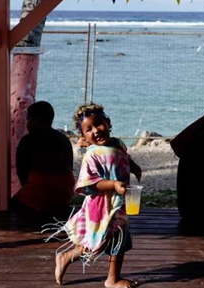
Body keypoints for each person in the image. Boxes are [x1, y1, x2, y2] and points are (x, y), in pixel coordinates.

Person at [51, 102, 142, 287]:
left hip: (119, 203)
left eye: (99, 124)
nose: (96, 131)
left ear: (108, 123)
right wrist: (113, 184)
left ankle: (112, 279)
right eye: (88, 129)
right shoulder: (92, 155)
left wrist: (133, 166)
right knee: (95, 242)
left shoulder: (118, 143)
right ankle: (66, 256)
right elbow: (90, 182)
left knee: (119, 241)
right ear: (83, 135)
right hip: (101, 206)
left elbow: (124, 158)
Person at [11, 101, 75, 218]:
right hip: (64, 195)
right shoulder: (63, 139)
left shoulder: (27, 141)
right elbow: (69, 165)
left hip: (38, 194)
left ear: (36, 120)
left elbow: (22, 173)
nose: (27, 123)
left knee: (10, 206)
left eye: (28, 119)